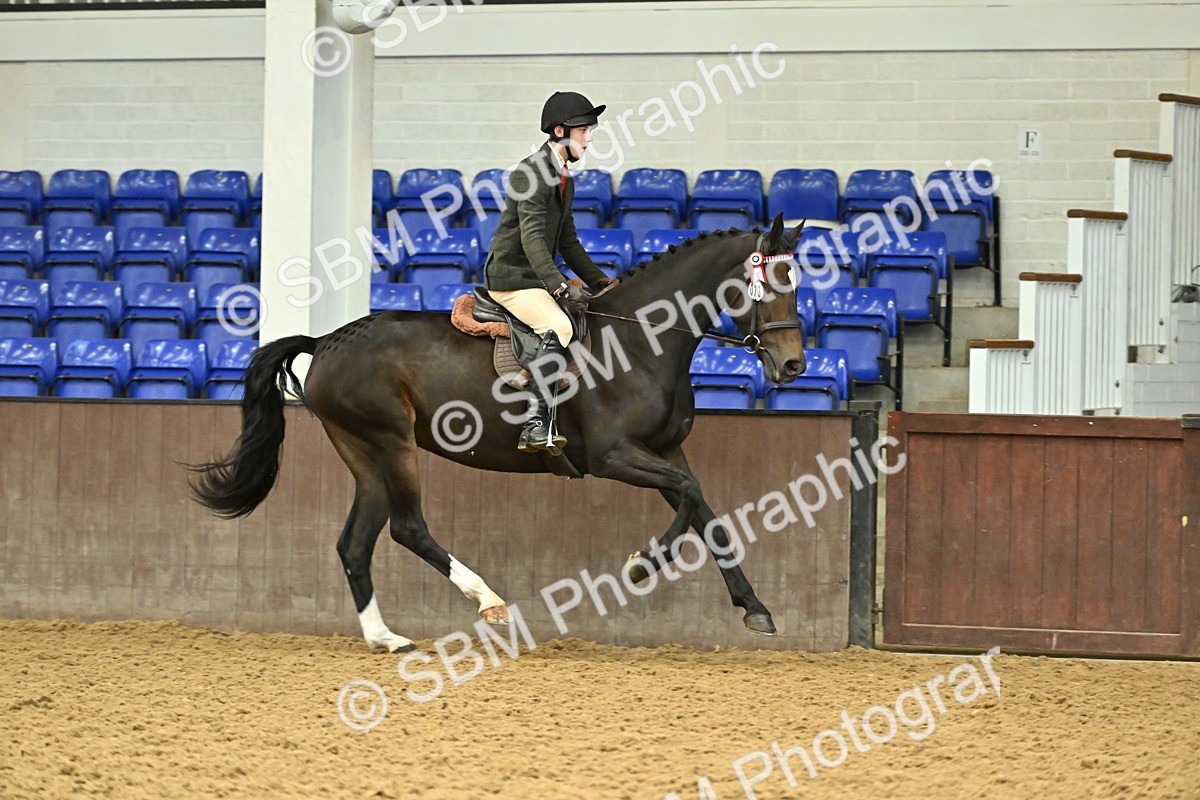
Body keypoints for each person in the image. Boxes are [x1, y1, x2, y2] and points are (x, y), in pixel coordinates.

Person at [483, 91, 618, 454]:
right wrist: (559, 286)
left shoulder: (563, 179)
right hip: (511, 278)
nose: (589, 139)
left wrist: (600, 282)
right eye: (584, 131)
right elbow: (531, 239)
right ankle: (536, 421)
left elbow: (568, 241)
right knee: (558, 326)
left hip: (534, 277)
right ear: (560, 131)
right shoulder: (532, 172)